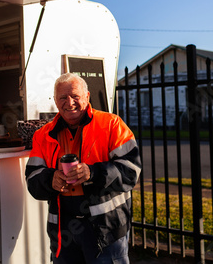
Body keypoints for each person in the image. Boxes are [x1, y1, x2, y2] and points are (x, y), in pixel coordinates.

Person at [25, 73, 141, 264]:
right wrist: (49, 179)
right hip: (63, 233)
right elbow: (32, 179)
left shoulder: (112, 124)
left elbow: (131, 171)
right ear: (55, 100)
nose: (69, 102)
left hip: (105, 232)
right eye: (63, 97)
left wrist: (92, 173)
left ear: (87, 97)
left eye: (75, 96)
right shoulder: (42, 135)